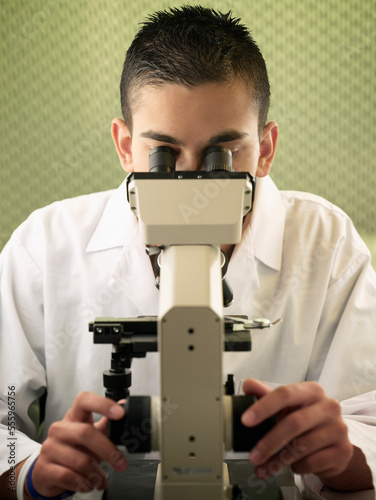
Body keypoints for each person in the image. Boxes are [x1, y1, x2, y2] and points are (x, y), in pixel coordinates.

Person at [1, 5, 375, 499]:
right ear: (125, 144)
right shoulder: (45, 245)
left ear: (265, 148)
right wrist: (26, 471)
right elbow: (3, 421)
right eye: (165, 155)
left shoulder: (324, 243)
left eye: (223, 153)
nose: (193, 180)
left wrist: (345, 454)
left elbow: (367, 419)